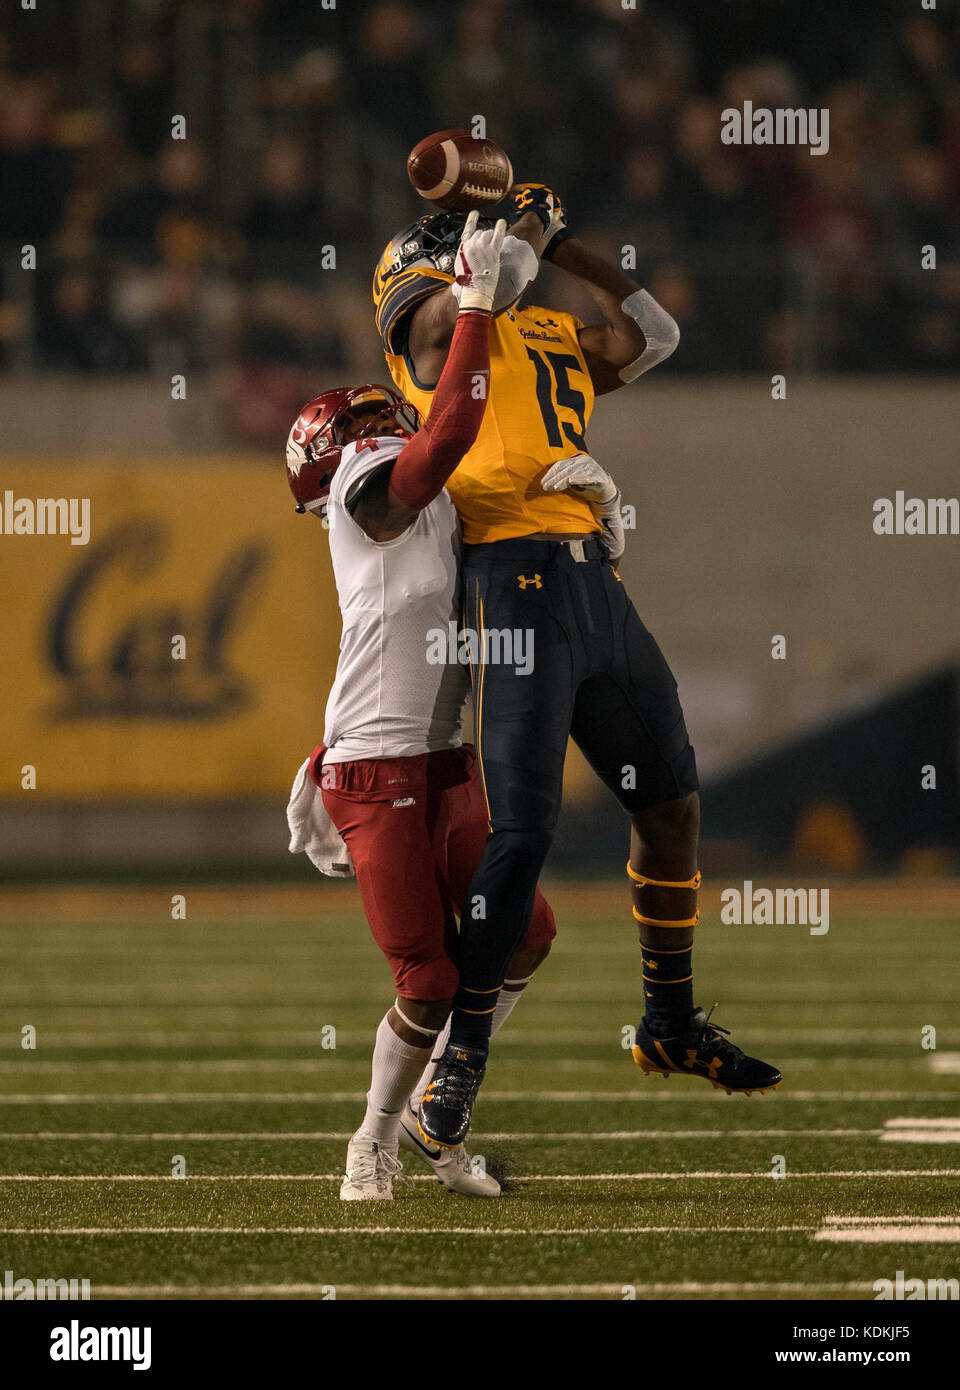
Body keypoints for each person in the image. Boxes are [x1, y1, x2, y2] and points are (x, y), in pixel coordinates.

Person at [371, 184, 782, 1149]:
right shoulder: (432, 335)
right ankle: (461, 1056)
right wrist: (522, 226)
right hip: (510, 581)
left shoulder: (537, 326)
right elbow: (491, 276)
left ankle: (669, 1021)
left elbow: (656, 331)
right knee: (525, 829)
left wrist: (573, 243)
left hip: (594, 576)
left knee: (671, 797)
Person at [285, 213, 555, 1199]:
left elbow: (501, 500)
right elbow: (440, 441)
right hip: (375, 767)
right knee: (429, 979)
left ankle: (445, 1113)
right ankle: (373, 1139)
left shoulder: (434, 496)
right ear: (336, 454)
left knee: (524, 934)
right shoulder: (370, 488)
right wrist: (477, 306)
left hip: (449, 764)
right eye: (367, 421)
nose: (384, 421)